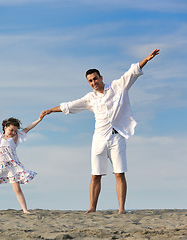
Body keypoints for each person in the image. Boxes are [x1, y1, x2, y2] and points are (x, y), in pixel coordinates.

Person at [40, 49, 160, 214]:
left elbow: (132, 72)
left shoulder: (118, 86)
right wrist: (50, 110)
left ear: (101, 77)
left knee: (119, 173)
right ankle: (92, 208)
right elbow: (70, 105)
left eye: (95, 78)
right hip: (99, 139)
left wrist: (146, 59)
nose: (93, 82)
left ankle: (121, 209)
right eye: (90, 81)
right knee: (96, 175)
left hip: (117, 137)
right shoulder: (90, 98)